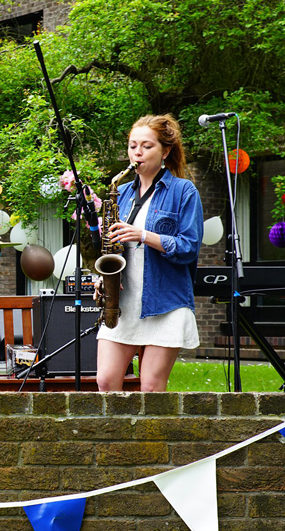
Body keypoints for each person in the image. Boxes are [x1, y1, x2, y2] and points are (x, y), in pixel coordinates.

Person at [96, 114, 203, 392]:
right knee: (106, 381)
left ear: (165, 151)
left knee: (152, 388)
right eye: (133, 146)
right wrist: (103, 280)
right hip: (124, 301)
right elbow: (113, 248)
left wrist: (143, 235)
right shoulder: (120, 193)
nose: (137, 153)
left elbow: (189, 247)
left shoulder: (184, 191)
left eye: (146, 146)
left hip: (165, 302)